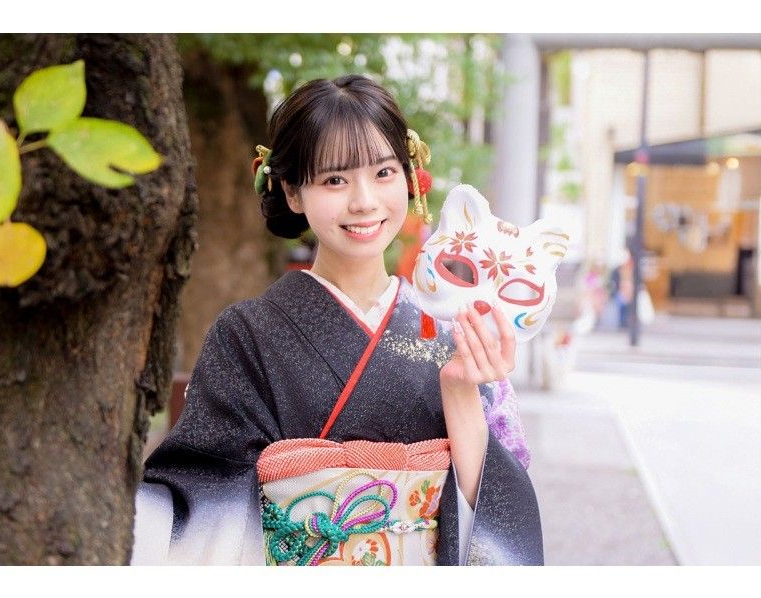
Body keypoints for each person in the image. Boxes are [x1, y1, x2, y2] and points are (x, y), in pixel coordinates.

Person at [131, 75, 543, 566]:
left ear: (410, 178)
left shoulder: (454, 333)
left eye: (384, 173)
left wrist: (460, 393)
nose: (364, 201)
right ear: (292, 191)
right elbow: (201, 495)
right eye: (334, 180)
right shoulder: (247, 334)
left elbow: (497, 511)